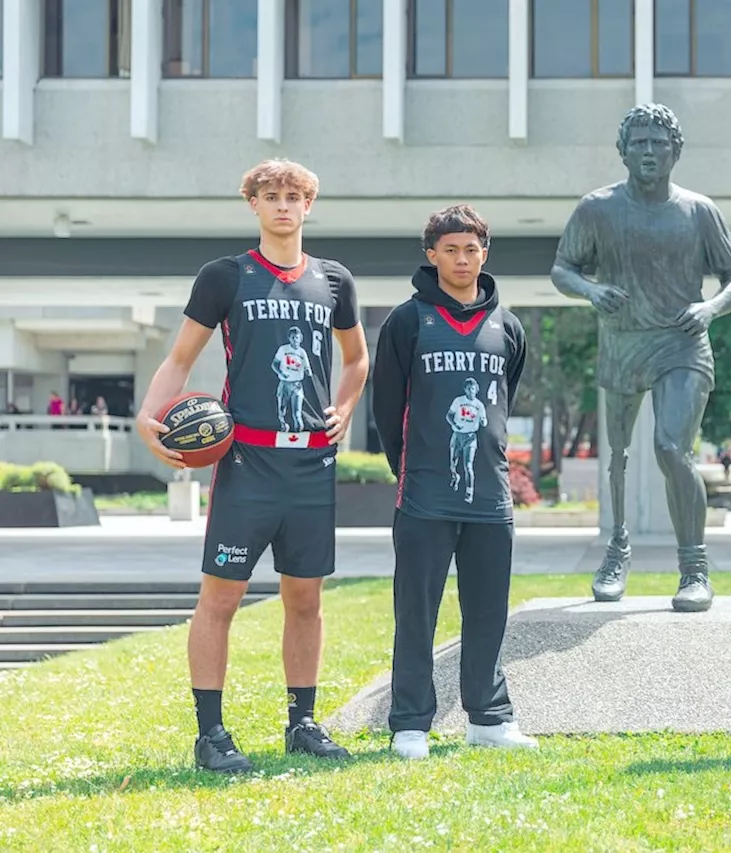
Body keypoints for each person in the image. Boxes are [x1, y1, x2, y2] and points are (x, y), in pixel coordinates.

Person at [134, 158, 370, 774]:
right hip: (246, 462)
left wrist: (343, 408)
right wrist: (148, 415)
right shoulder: (225, 276)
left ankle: (303, 723)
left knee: (306, 600)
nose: (284, 205)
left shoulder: (335, 281)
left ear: (309, 205)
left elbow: (356, 360)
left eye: (294, 196)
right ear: (254, 205)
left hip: (312, 464)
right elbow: (181, 358)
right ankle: (211, 733)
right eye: (272, 195)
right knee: (219, 600)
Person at [551, 103, 731, 613]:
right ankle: (616, 551)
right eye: (637, 142)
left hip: (682, 342)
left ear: (675, 151)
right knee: (615, 455)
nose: (647, 151)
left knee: (670, 448)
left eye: (658, 143)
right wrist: (591, 292)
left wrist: (709, 308)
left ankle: (694, 567)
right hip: (622, 342)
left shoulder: (698, 211)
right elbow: (563, 269)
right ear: (622, 151)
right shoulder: (596, 208)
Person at [372, 204, 537, 760]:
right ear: (432, 256)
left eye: (471, 249)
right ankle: (411, 723)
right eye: (450, 250)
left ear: (484, 253)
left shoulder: (507, 326)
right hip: (424, 494)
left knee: (489, 609)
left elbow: (503, 402)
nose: (462, 259)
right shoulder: (406, 321)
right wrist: (412, 470)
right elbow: (387, 408)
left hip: (491, 495)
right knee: (416, 612)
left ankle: (489, 718)